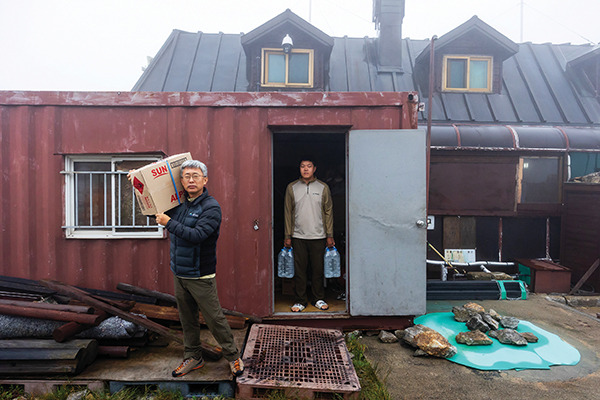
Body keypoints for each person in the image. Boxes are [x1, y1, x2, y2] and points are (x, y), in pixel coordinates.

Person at [153, 160, 244, 378]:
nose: (191, 180)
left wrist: (168, 223)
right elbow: (154, 213)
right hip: (179, 272)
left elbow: (198, 236)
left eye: (195, 176)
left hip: (200, 274)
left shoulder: (211, 207)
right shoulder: (180, 204)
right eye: (186, 176)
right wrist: (138, 184)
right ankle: (193, 357)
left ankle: (233, 357)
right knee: (187, 319)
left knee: (214, 318)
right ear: (181, 181)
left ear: (205, 180)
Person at [284, 157, 335, 312]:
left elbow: (328, 212)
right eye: (302, 166)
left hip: (318, 236)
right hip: (298, 235)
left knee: (317, 270)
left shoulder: (323, 187)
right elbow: (288, 212)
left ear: (314, 168)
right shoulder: (292, 187)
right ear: (299, 169)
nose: (305, 169)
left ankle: (318, 298)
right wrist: (287, 235)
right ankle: (300, 301)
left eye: (309, 166)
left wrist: (329, 234)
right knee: (300, 271)